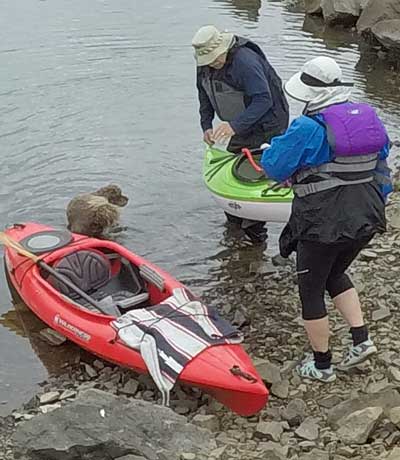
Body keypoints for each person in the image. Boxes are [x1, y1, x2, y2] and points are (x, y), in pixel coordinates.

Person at [260, 56, 392, 382]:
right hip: (367, 216)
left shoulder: (307, 126)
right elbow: (379, 162)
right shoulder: (369, 117)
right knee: (335, 273)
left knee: (310, 289)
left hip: (323, 223)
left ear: (310, 95)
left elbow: (274, 167)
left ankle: (322, 365)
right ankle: (361, 341)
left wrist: (277, 156)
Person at [192, 25, 289, 244]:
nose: (213, 63)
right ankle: (235, 227)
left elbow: (264, 99)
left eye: (216, 58)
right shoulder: (204, 65)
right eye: (209, 60)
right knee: (233, 174)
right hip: (242, 122)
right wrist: (206, 125)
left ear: (224, 48)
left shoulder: (246, 62)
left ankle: (256, 238)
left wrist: (234, 126)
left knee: (255, 178)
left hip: (268, 122)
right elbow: (203, 95)